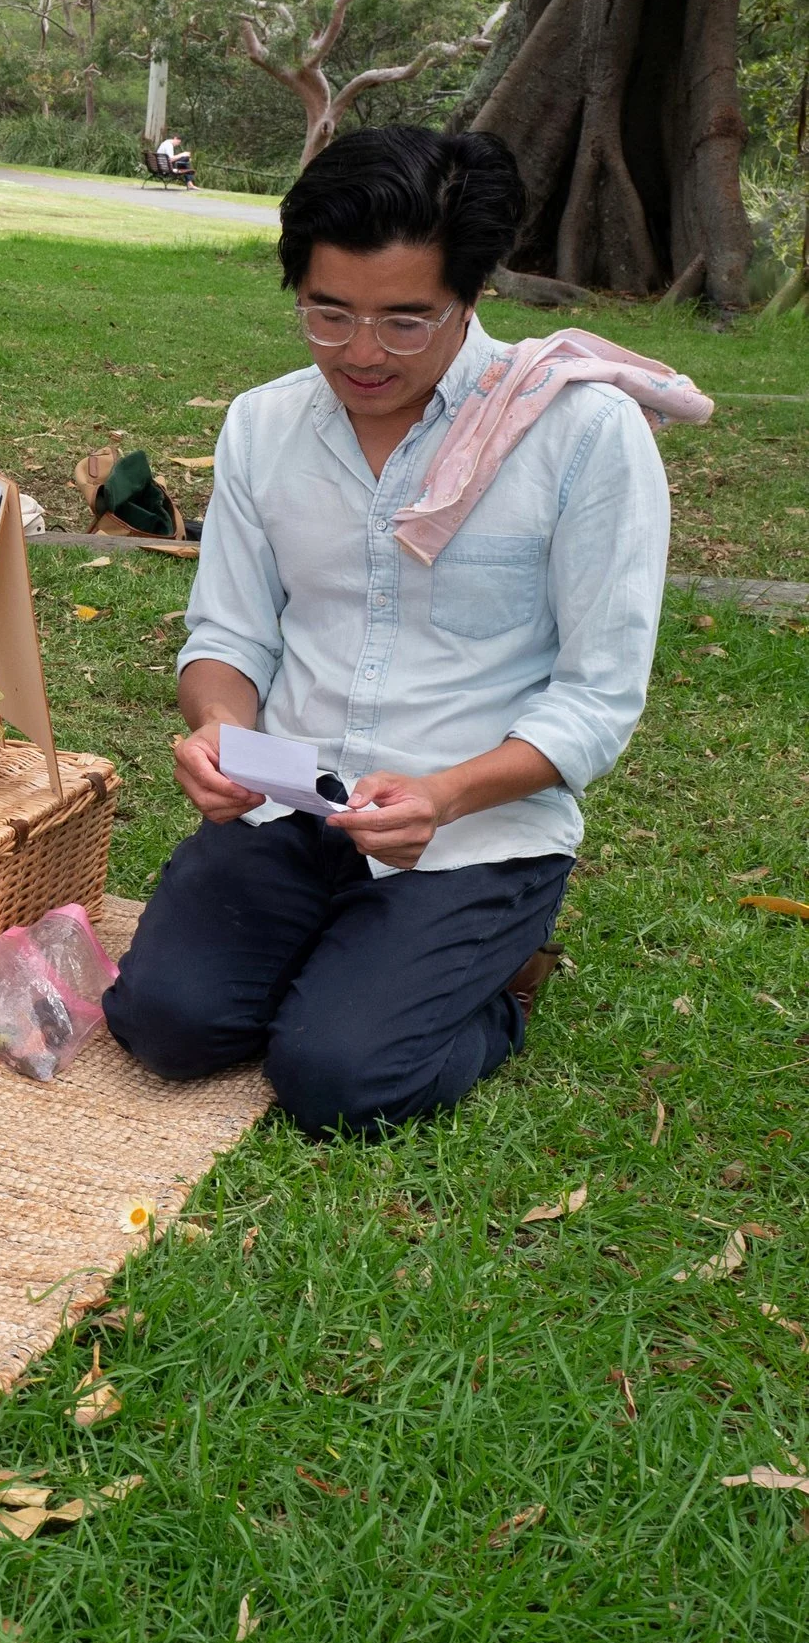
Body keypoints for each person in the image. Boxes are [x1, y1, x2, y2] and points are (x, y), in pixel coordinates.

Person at [100, 127, 672, 1137]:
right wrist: (220, 734)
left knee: (339, 1079)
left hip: (471, 834)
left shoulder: (582, 435)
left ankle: (499, 985)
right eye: (327, 314)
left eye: (406, 322)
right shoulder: (264, 426)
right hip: (290, 804)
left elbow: (596, 697)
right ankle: (352, 954)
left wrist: (445, 793)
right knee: (164, 1025)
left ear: (470, 295)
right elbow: (227, 635)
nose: (360, 353)